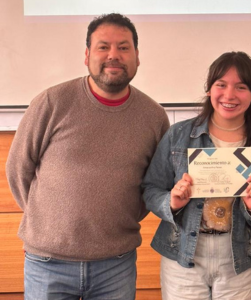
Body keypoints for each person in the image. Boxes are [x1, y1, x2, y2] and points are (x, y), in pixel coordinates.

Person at [6, 13, 170, 300]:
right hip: (48, 264)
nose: (113, 55)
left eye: (123, 47)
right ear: (87, 55)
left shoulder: (153, 117)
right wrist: (44, 224)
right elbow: (18, 168)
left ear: (137, 56)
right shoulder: (52, 102)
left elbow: (155, 184)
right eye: (103, 47)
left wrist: (118, 221)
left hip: (115, 264)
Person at [143, 51, 251, 299]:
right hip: (182, 254)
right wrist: (172, 202)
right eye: (221, 85)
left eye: (241, 87)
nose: (229, 95)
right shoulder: (179, 135)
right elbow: (151, 189)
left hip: (237, 257)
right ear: (209, 89)